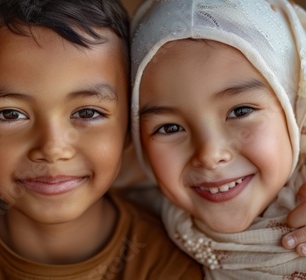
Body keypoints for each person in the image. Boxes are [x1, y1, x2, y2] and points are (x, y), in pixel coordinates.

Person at [0, 0, 203, 279]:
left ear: (129, 125)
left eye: (88, 112)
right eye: (11, 114)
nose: (52, 149)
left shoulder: (166, 264)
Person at [130, 0, 306, 278]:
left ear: (295, 111)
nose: (210, 154)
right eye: (170, 128)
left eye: (241, 111)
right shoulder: (137, 235)